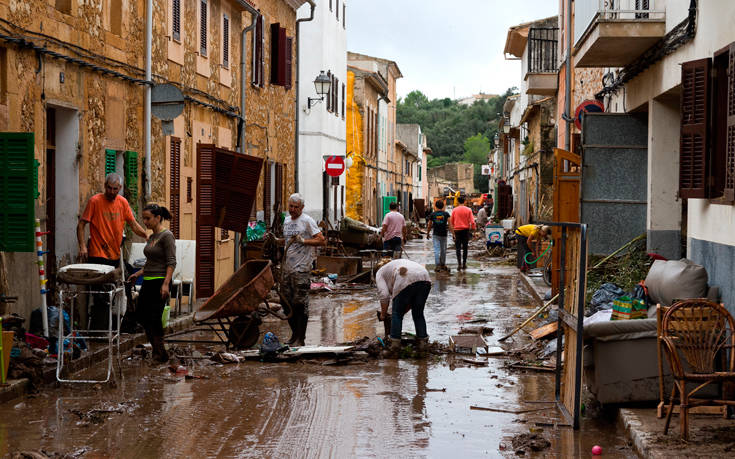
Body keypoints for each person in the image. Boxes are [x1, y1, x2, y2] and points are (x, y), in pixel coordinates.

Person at [77, 173, 147, 329]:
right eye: (109, 188)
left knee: (126, 282)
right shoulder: (95, 201)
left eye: (115, 189)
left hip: (114, 255)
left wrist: (147, 235)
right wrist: (82, 246)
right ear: (105, 186)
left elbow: (133, 224)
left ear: (119, 188)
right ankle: (101, 328)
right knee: (100, 294)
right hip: (97, 255)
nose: (111, 191)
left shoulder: (122, 203)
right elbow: (81, 225)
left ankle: (126, 323)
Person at [127, 204, 176, 362]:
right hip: (148, 280)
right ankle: (158, 351)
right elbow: (150, 262)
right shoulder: (152, 237)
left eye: (148, 218)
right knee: (141, 315)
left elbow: (171, 262)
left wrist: (166, 284)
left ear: (158, 218)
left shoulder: (166, 236)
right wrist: (138, 273)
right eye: (144, 219)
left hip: (159, 281)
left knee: (154, 317)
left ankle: (159, 353)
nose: (145, 222)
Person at [281, 193, 325, 346]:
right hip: (287, 269)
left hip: (301, 269)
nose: (292, 210)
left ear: (302, 208)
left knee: (299, 304)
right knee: (286, 303)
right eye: (291, 206)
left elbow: (321, 240)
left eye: (296, 207)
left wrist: (304, 241)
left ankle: (301, 338)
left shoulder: (307, 221)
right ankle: (294, 335)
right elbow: (287, 241)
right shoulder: (286, 221)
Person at [376, 259, 432, 356]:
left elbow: (384, 296)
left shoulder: (379, 273)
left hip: (406, 278)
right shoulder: (396, 264)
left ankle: (394, 347)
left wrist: (383, 314)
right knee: (418, 314)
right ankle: (423, 345)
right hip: (425, 277)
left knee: (396, 314)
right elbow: (410, 302)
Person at [449, 195, 475, 270]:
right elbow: (472, 222)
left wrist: (453, 231)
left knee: (457, 248)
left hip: (457, 231)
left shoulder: (454, 210)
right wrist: (473, 229)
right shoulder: (468, 210)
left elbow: (451, 222)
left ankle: (459, 264)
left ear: (457, 202)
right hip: (465, 230)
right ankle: (464, 264)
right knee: (465, 248)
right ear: (464, 201)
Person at [426, 200, 451, 272]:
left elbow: (429, 225)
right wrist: (453, 234)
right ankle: (442, 264)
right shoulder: (446, 214)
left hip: (436, 234)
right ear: (443, 206)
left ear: (436, 206)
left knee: (436, 250)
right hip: (444, 234)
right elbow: (450, 225)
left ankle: (437, 266)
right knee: (443, 250)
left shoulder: (433, 214)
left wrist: (428, 233)